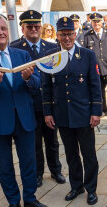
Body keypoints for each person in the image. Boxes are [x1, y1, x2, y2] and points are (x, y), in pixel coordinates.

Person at [0, 15, 46, 207]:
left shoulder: (22, 55)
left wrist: (29, 78)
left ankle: (30, 199)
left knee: (29, 163)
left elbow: (38, 84)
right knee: (5, 167)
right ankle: (14, 202)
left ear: (8, 31)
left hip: (24, 118)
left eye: (3, 28)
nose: (0, 32)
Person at [42, 17, 101, 205]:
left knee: (89, 154)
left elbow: (95, 85)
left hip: (84, 114)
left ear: (75, 34)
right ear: (57, 35)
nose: (66, 38)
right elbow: (46, 87)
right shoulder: (50, 56)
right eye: (62, 34)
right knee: (70, 154)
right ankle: (76, 186)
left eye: (69, 34)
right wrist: (48, 112)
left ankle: (91, 189)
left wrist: (96, 111)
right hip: (62, 115)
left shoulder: (87, 55)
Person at [9, 10, 64, 188]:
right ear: (22, 28)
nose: (33, 29)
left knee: (52, 141)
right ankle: (38, 173)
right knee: (34, 143)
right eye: (29, 26)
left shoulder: (52, 48)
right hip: (28, 104)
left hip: (49, 104)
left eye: (36, 26)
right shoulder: (15, 48)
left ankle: (56, 170)